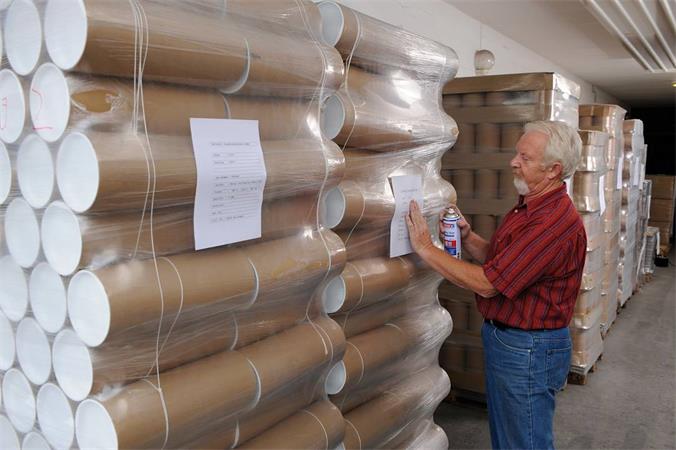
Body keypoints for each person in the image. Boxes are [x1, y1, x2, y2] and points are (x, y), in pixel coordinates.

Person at [405, 120, 586, 450]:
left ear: (553, 170)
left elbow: (490, 283)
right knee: (509, 439)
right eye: (517, 153)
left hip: (528, 349)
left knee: (524, 443)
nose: (513, 162)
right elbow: (508, 264)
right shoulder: (531, 206)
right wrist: (468, 238)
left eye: (525, 158)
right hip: (514, 343)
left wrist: (425, 248)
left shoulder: (551, 223)